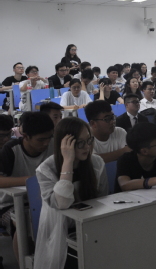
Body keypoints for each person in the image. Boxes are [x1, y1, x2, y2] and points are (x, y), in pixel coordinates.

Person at [34, 117, 108, 269]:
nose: (87, 147)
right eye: (80, 143)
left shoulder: (96, 162)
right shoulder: (46, 169)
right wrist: (68, 161)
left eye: (89, 140)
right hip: (60, 231)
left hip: (90, 225)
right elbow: (62, 203)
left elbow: (103, 199)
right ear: (64, 145)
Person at [0, 112, 54, 260]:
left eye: (49, 137)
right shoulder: (11, 150)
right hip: (10, 204)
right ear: (26, 136)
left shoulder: (53, 146)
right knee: (24, 223)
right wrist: (30, 180)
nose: (46, 143)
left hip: (43, 199)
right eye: (41, 139)